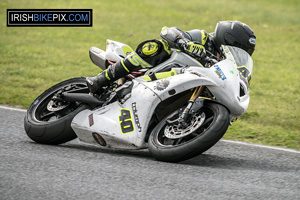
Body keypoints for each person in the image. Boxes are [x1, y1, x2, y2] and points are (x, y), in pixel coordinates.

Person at [86, 20, 256, 93]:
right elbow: (168, 31)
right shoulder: (204, 38)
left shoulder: (225, 65)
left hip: (180, 85)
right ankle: (101, 79)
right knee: (155, 47)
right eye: (239, 48)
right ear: (228, 38)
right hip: (159, 69)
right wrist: (185, 43)